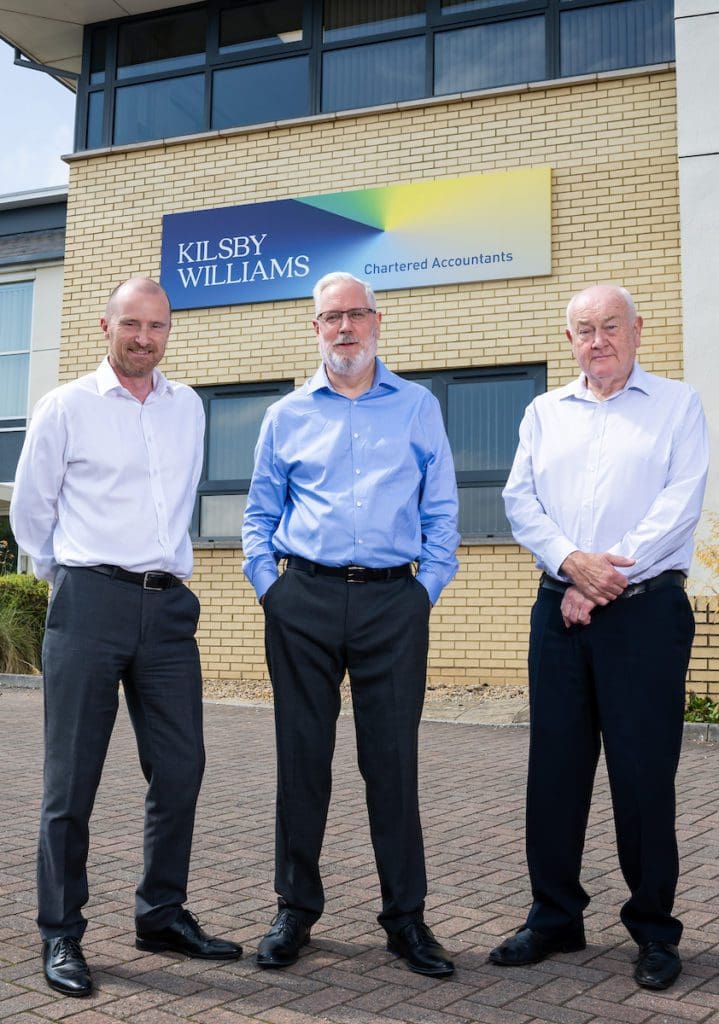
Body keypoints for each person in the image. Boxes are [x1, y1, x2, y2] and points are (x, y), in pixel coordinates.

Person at [10, 277, 242, 999]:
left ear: (169, 331)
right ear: (105, 327)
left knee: (180, 768)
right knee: (70, 779)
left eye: (157, 326)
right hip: (90, 601)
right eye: (132, 324)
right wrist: (73, 580)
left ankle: (160, 915)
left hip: (168, 609)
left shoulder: (188, 407)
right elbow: (32, 511)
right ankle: (61, 932)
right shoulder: (66, 406)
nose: (145, 338)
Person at [242, 271, 460, 976]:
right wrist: (270, 589)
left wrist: (424, 590)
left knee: (391, 763)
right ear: (315, 329)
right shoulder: (285, 415)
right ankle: (294, 910)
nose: (344, 328)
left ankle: (406, 918)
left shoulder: (418, 407)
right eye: (331, 317)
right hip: (302, 600)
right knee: (301, 760)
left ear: (376, 321)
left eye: (356, 315)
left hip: (394, 603)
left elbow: (441, 511)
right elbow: (258, 514)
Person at [491, 284, 708, 990]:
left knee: (642, 775)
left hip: (644, 612)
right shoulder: (543, 412)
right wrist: (569, 565)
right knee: (554, 771)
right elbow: (520, 500)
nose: (597, 340)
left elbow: (680, 503)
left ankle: (653, 929)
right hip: (557, 610)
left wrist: (601, 578)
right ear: (569, 341)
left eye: (610, 326)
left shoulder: (677, 405)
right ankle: (554, 917)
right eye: (584, 329)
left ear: (636, 331)